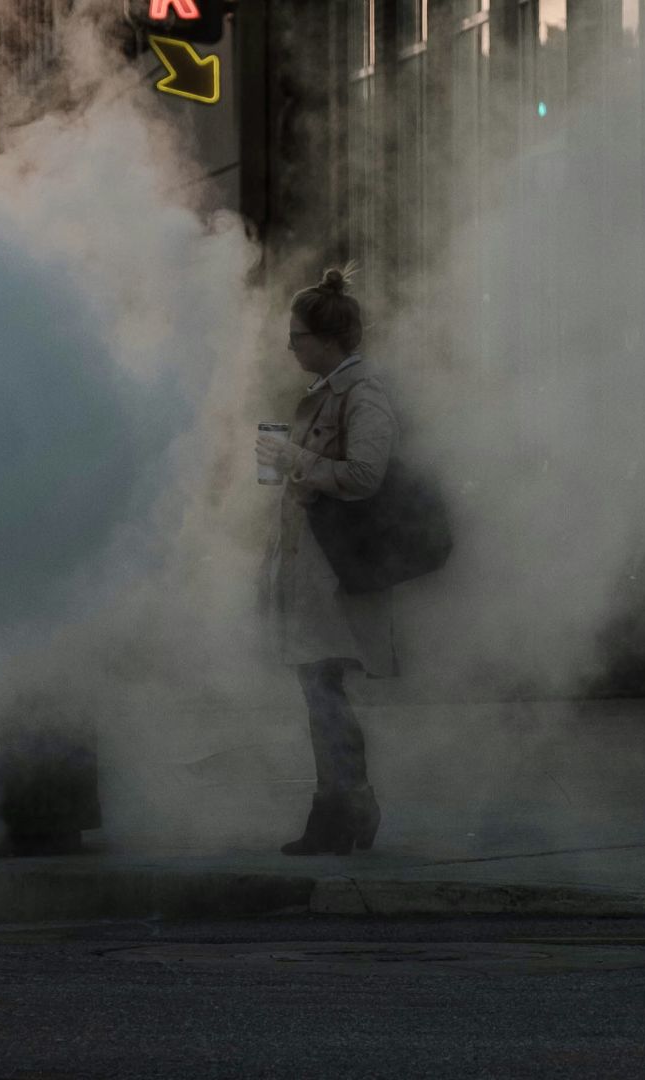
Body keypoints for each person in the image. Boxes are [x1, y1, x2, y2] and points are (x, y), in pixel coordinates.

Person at [255, 267, 396, 856]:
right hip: (311, 571)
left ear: (329, 339)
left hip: (335, 578)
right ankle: (336, 812)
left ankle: (346, 812)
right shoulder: (324, 392)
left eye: (299, 337)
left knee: (326, 691)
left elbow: (365, 475)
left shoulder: (363, 393)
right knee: (318, 691)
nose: (290, 347)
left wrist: (292, 457)